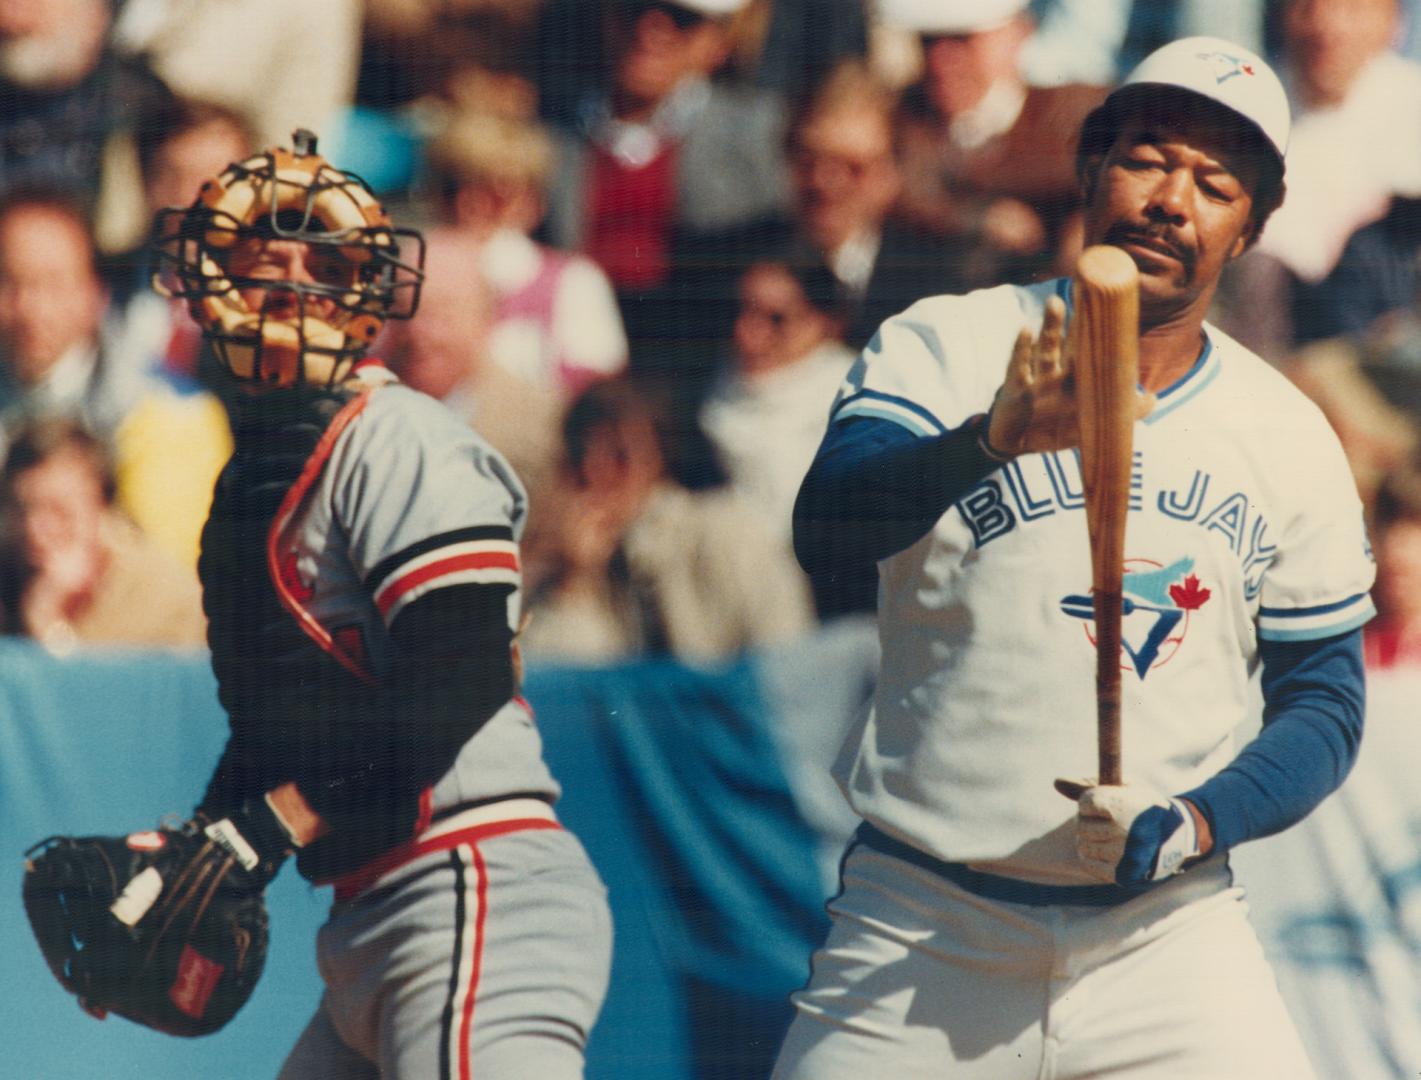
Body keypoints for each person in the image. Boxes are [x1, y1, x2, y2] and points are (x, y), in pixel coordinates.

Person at [776, 37, 1373, 1079]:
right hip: (920, 925)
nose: (1170, 200)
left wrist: (1196, 818)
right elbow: (828, 528)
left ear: (1248, 230)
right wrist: (986, 440)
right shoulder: (945, 345)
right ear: (1090, 171)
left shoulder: (1285, 430)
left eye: (1215, 182)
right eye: (1145, 158)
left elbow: (1323, 702)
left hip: (1163, 945)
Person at [149, 130, 611, 1078]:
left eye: (314, 262)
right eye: (256, 257)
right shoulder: (247, 486)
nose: (283, 282)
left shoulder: (398, 436)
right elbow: (279, 736)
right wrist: (198, 849)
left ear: (364, 298)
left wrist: (271, 823)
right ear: (204, 281)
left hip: (473, 882)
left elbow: (464, 673)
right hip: (373, 917)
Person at [0, 188, 232, 568]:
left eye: (53, 284)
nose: (30, 308)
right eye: (9, 283)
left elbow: (165, 579)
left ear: (95, 294)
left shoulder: (173, 415)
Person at [520, 374, 814, 663]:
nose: (595, 471)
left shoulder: (727, 534)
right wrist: (576, 583)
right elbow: (563, 685)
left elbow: (788, 663)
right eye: (580, 454)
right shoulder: (571, 561)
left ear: (660, 462)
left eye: (620, 455)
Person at [0, 416, 206, 652]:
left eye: (60, 512)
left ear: (102, 508)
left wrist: (49, 625)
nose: (35, 530)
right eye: (22, 509)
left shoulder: (163, 599)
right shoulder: (9, 573)